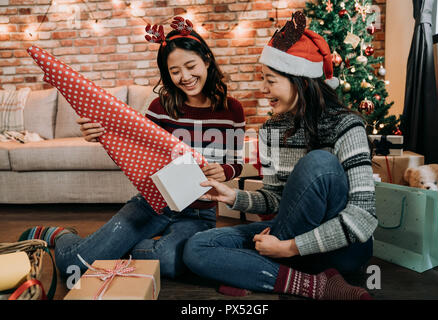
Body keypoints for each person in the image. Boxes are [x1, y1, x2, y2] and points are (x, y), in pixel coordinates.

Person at [19, 17, 245, 279]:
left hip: (197, 213)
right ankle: (63, 236)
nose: (185, 77)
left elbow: (236, 161)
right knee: (75, 264)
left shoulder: (233, 109)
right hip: (153, 203)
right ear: (167, 74)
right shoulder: (159, 108)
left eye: (191, 66)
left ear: (206, 60)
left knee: (170, 262)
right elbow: (134, 148)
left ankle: (119, 248)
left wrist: (224, 171)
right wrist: (100, 135)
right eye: (174, 71)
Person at [182, 11, 376, 300]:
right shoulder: (272, 130)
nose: (263, 90)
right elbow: (274, 198)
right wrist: (232, 196)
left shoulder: (347, 125)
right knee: (196, 247)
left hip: (341, 250)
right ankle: (316, 285)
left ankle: (257, 270)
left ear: (301, 81)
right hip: (289, 238)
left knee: (319, 163)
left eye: (270, 81)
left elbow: (362, 218)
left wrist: (287, 248)